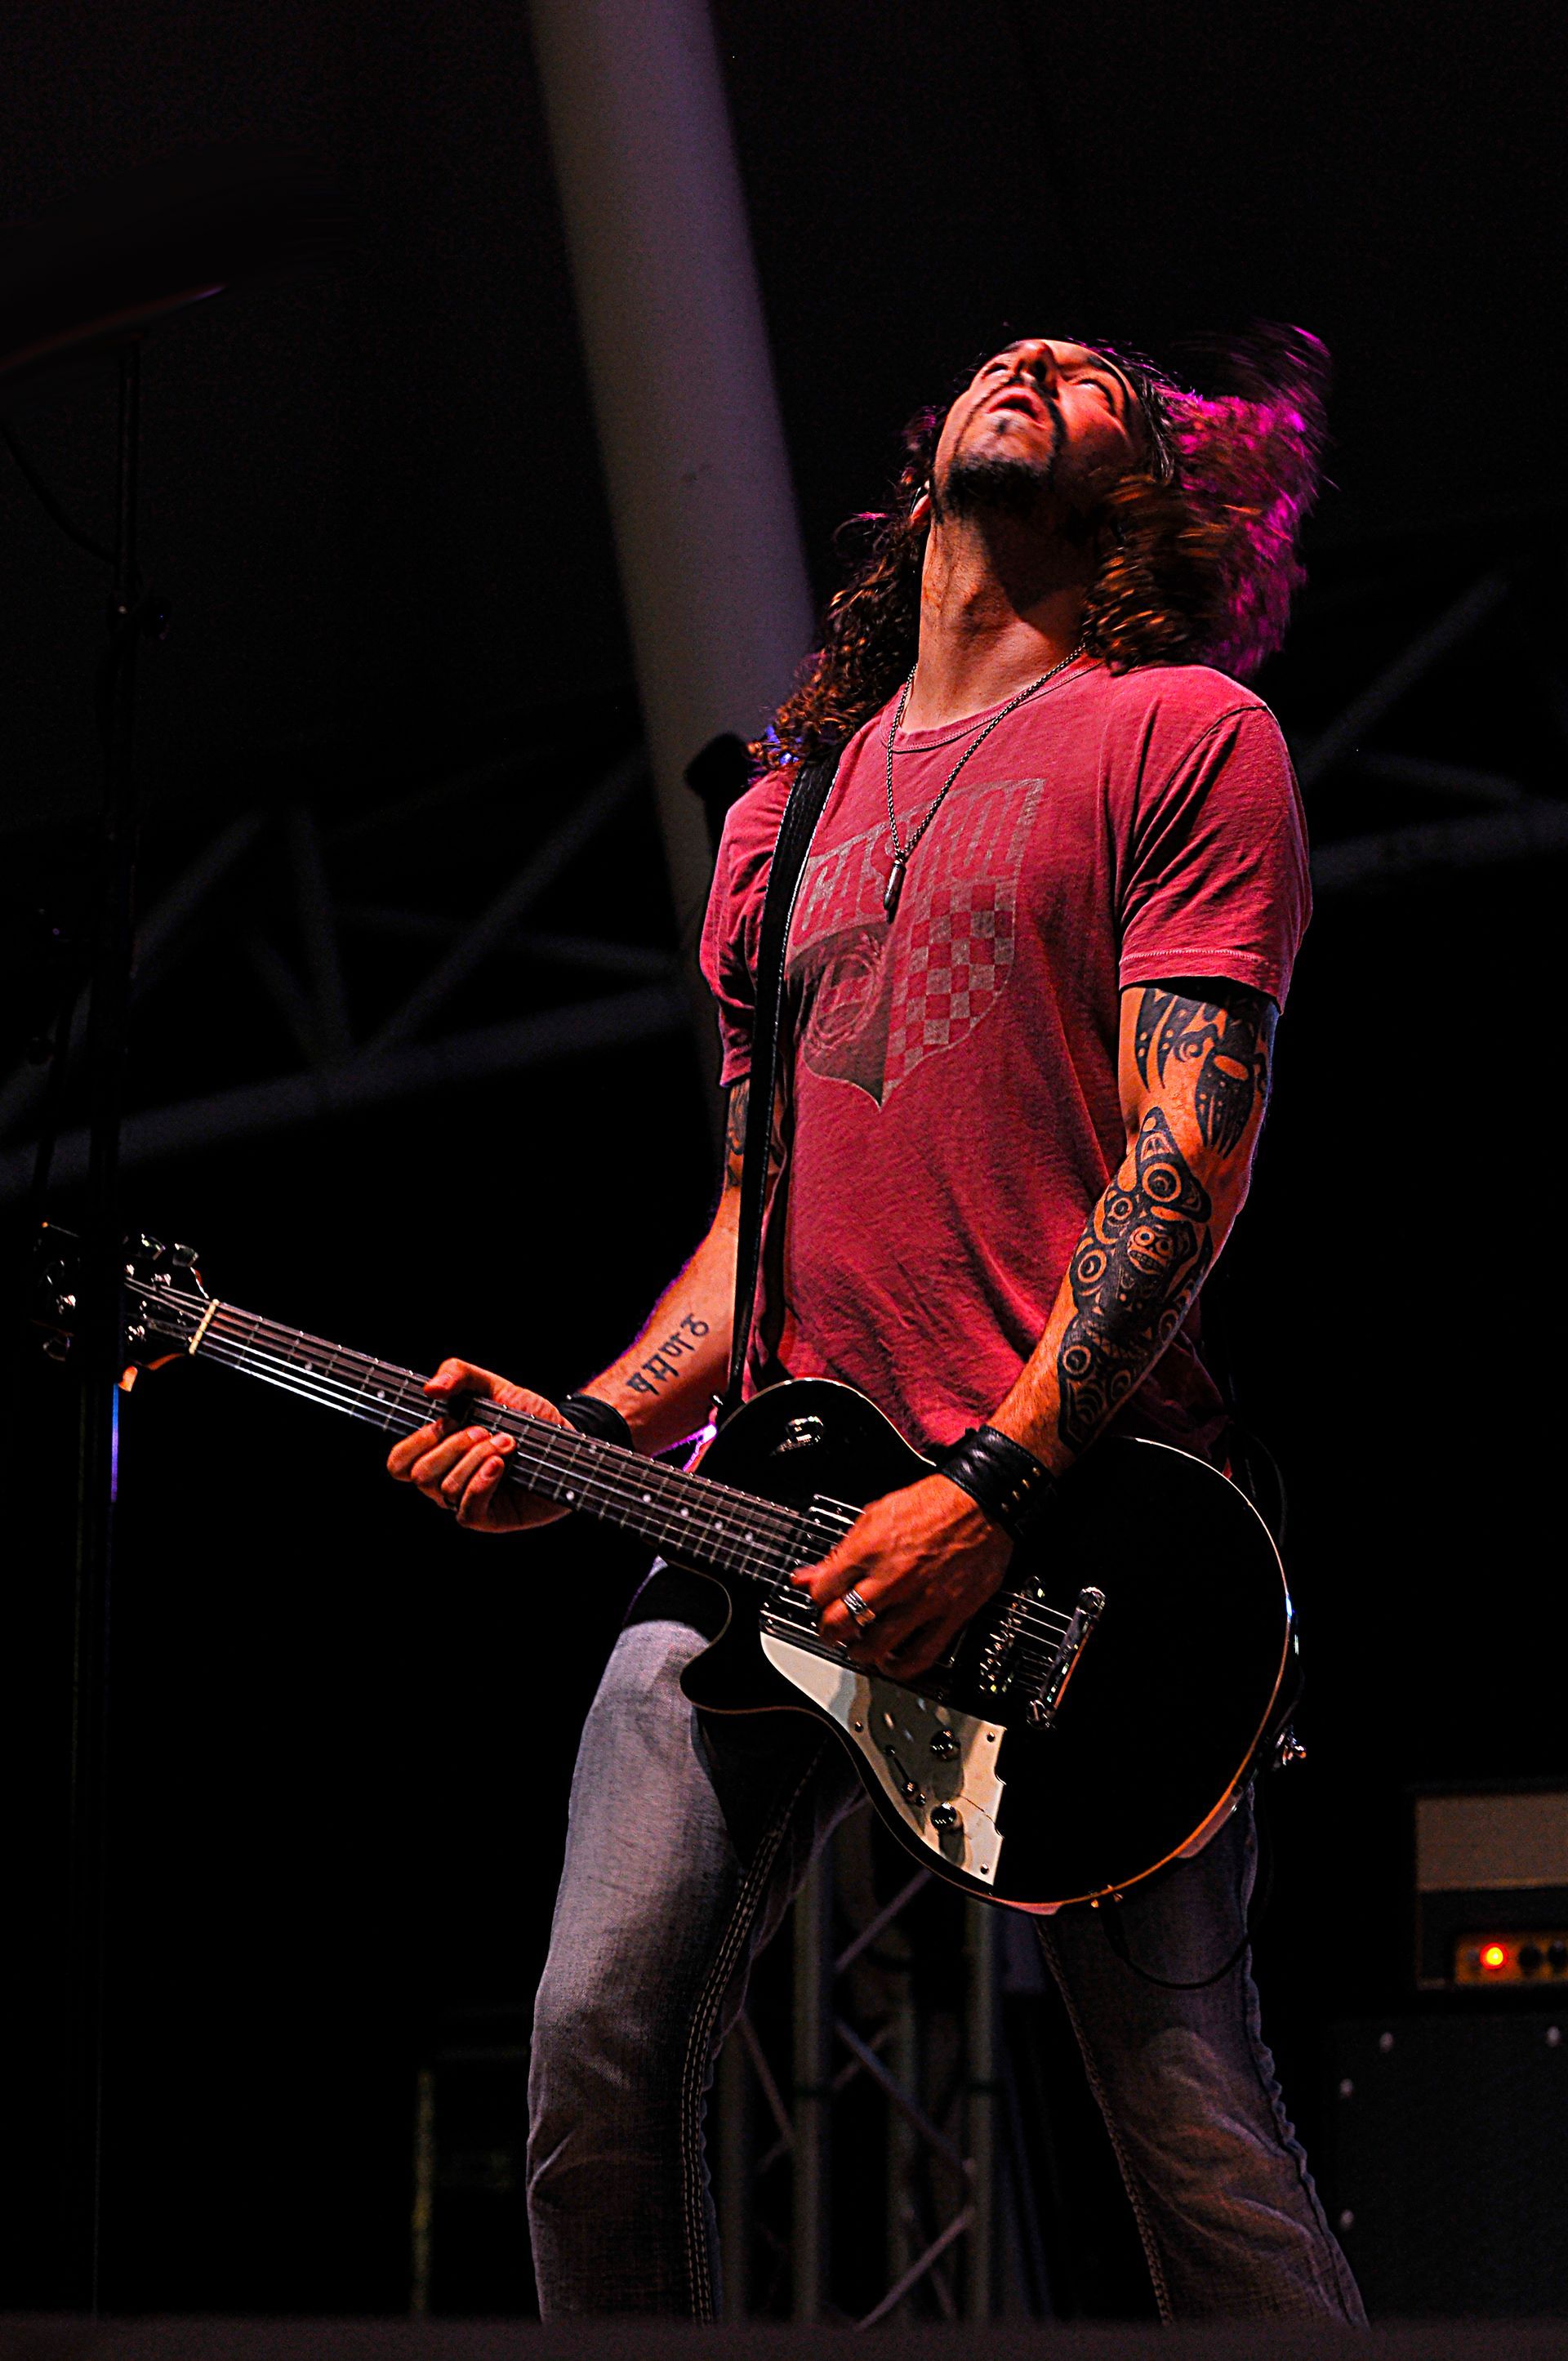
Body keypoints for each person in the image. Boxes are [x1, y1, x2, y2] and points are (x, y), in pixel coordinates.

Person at [387, 330, 1365, 2325]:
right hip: (764, 1513)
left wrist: (1001, 1483)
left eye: (1088, 377)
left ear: (1136, 497)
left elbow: (1185, 1165)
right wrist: (578, 1426)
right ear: (922, 465)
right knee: (589, 2061)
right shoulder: (779, 824)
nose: (1031, 360)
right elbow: (757, 1220)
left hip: (1087, 1546)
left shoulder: (1183, 736)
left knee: (1189, 2131)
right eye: (1009, 356)